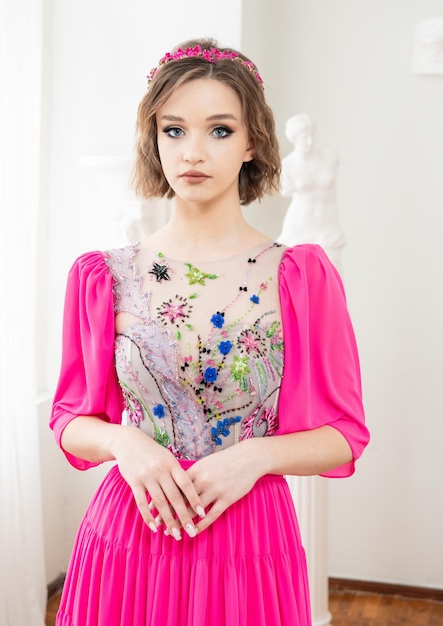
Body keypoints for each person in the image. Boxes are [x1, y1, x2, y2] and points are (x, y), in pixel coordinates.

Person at [50, 38, 370, 626]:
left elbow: (345, 435)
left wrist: (253, 457)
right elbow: (70, 419)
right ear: (154, 140)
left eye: (219, 130)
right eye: (174, 130)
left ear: (252, 142)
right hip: (128, 535)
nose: (193, 151)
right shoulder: (102, 276)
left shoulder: (300, 274)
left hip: (249, 541)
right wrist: (126, 444)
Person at [278, 113, 346, 272]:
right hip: (300, 225)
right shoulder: (287, 165)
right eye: (303, 137)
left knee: (334, 276)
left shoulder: (330, 156)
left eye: (311, 136)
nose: (309, 141)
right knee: (300, 276)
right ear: (294, 139)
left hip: (328, 224)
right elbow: (284, 190)